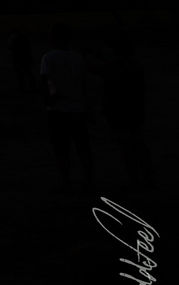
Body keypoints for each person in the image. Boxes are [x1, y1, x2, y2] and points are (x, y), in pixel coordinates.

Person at [88, 32, 156, 191]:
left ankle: (135, 179)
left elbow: (93, 68)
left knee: (126, 147)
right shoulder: (135, 65)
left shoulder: (112, 66)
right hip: (136, 108)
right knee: (140, 144)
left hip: (119, 110)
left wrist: (86, 55)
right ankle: (147, 177)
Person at [38, 23, 94, 194]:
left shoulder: (49, 57)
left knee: (61, 149)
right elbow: (82, 82)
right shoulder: (77, 57)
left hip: (59, 110)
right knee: (83, 147)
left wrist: (48, 101)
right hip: (78, 108)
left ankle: (66, 181)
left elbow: (43, 82)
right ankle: (89, 180)